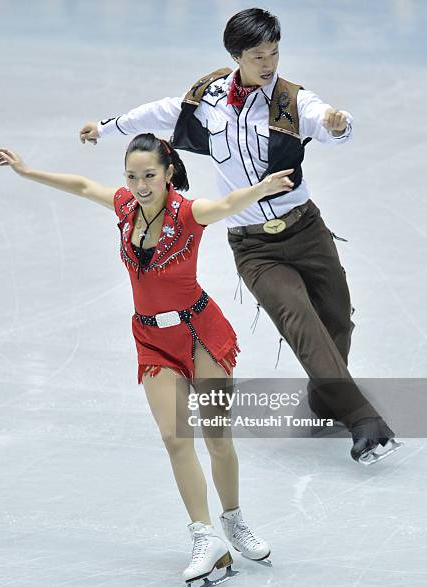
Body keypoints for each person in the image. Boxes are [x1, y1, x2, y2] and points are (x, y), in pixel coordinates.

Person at [79, 8, 401, 466]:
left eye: (274, 52)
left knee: (337, 323)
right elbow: (164, 110)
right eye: (258, 55)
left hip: (307, 230)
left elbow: (326, 118)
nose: (269, 63)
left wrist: (338, 122)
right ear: (237, 56)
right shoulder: (209, 98)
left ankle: (325, 396)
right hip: (254, 247)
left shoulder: (292, 101)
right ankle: (364, 421)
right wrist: (107, 127)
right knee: (301, 322)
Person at [0, 136, 294, 587]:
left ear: (168, 171)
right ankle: (205, 536)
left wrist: (260, 189)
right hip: (153, 339)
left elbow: (229, 203)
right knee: (176, 438)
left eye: (149, 175)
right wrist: (28, 171)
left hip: (199, 333)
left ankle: (233, 519)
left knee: (216, 438)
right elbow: (80, 185)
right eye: (131, 176)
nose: (139, 185)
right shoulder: (125, 208)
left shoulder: (188, 214)